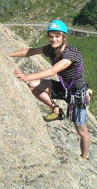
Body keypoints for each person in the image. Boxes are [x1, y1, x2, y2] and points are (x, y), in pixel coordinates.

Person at [9, 20, 91, 160]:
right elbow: (32, 51)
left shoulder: (71, 54)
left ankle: (84, 157)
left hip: (77, 94)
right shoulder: (51, 49)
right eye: (51, 36)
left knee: (81, 131)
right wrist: (9, 55)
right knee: (33, 85)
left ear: (64, 37)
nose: (54, 39)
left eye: (57, 36)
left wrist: (25, 76)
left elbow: (53, 70)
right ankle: (56, 110)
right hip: (64, 88)